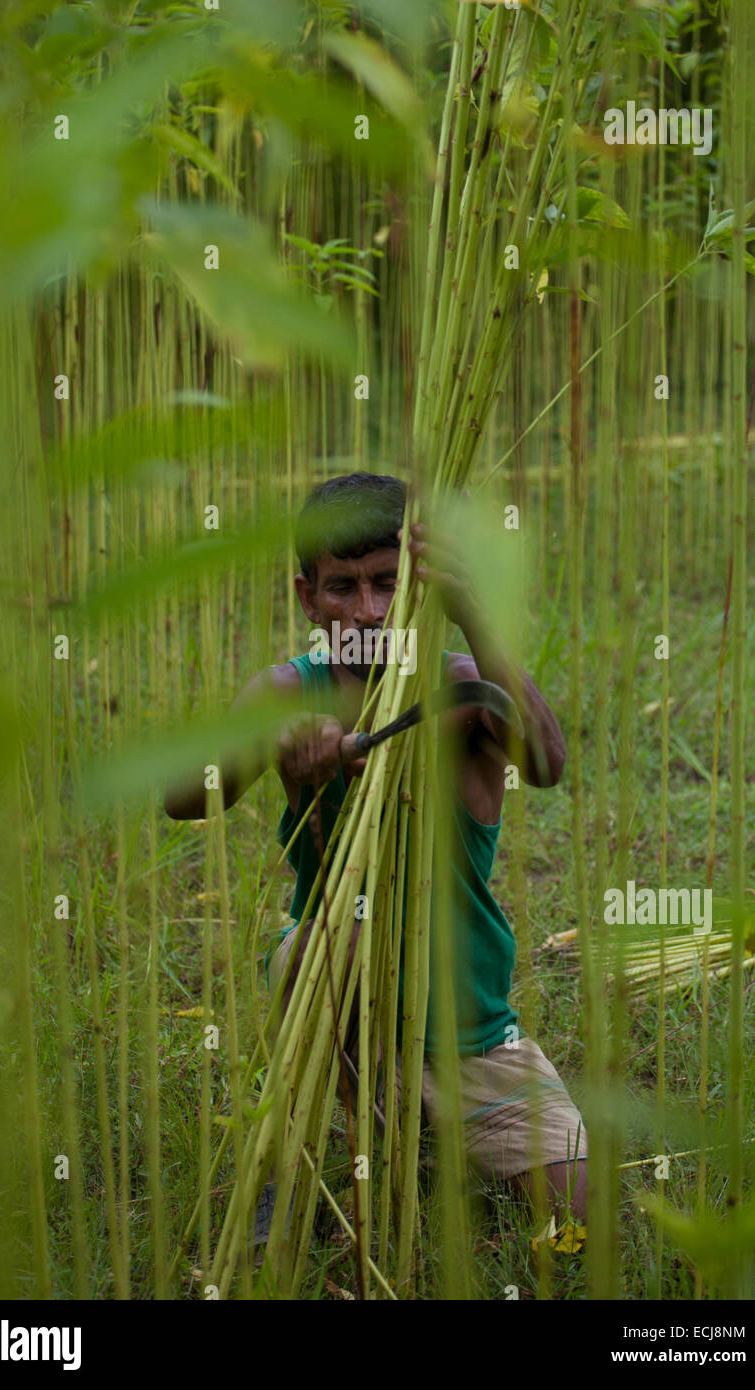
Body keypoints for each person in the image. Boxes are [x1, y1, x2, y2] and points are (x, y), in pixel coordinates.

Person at [165, 472, 587, 1225]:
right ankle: (327, 1135)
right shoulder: (285, 693)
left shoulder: (462, 688)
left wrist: (473, 614)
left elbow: (548, 762)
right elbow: (184, 799)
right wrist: (277, 748)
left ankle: (422, 1132)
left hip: (473, 1035)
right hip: (334, 1010)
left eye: (389, 583)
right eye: (342, 588)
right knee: (343, 936)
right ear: (307, 598)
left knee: (588, 1225)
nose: (367, 612)